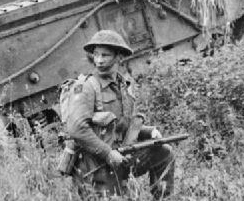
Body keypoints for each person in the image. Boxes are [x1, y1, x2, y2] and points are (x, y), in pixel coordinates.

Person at [64, 29, 175, 199]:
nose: (99, 60)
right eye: (96, 54)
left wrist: (148, 131)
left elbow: (122, 124)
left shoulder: (124, 85)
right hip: (95, 165)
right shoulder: (86, 87)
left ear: (119, 57)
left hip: (122, 155)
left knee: (164, 152)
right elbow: (76, 129)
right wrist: (108, 153)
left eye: (105, 55)